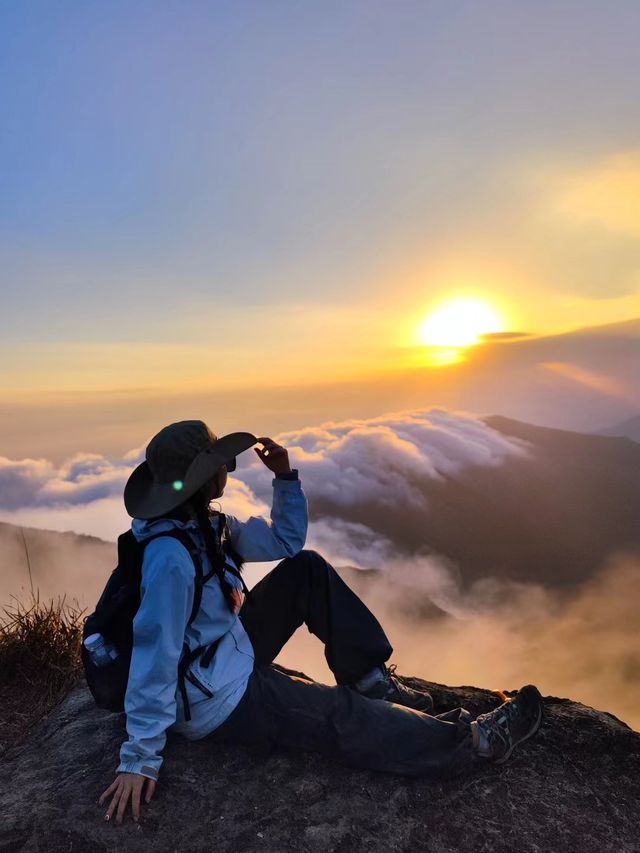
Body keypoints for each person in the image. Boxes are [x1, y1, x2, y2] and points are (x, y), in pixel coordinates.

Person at [98, 420, 544, 825]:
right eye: (220, 463)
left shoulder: (203, 525)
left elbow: (285, 542)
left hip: (224, 652)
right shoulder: (170, 557)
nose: (228, 469)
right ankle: (476, 742)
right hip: (214, 698)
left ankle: (369, 679)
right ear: (198, 480)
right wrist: (139, 758)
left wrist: (285, 478)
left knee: (307, 570)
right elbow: (156, 653)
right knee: (337, 713)